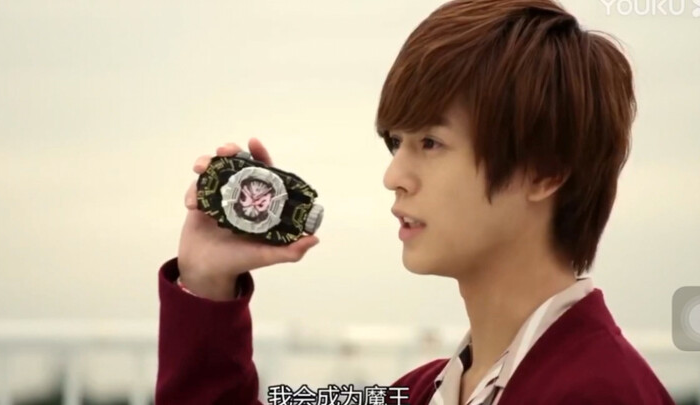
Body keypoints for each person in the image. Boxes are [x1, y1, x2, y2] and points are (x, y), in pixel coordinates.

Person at [154, 0, 675, 404]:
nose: (393, 177)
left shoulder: (602, 392)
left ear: (543, 171)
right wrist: (206, 283)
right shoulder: (418, 391)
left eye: (430, 142)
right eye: (395, 143)